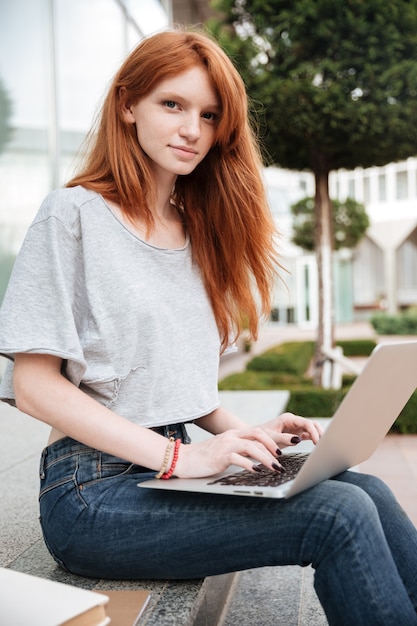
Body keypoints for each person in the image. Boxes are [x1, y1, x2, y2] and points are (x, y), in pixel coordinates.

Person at [0, 28, 416, 626]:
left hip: (167, 469)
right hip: (89, 493)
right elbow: (35, 387)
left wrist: (249, 437)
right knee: (337, 515)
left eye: (209, 114)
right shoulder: (72, 214)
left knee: (365, 489)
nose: (192, 128)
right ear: (127, 105)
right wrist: (179, 459)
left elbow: (173, 386)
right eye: (172, 104)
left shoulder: (196, 231)